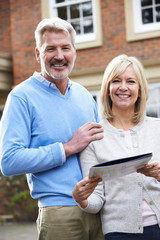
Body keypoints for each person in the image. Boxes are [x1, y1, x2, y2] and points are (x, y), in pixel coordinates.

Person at [0, 17, 104, 240]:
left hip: (98, 207)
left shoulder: (85, 96)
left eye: (65, 48)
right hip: (59, 213)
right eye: (51, 49)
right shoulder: (21, 97)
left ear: (74, 51)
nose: (59, 55)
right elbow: (8, 161)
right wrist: (67, 147)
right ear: (38, 54)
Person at [72, 54, 160, 240]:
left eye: (131, 81)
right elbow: (96, 200)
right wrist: (82, 199)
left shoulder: (157, 128)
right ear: (107, 88)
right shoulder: (94, 137)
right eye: (116, 81)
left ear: (140, 89)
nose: (123, 87)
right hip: (120, 233)